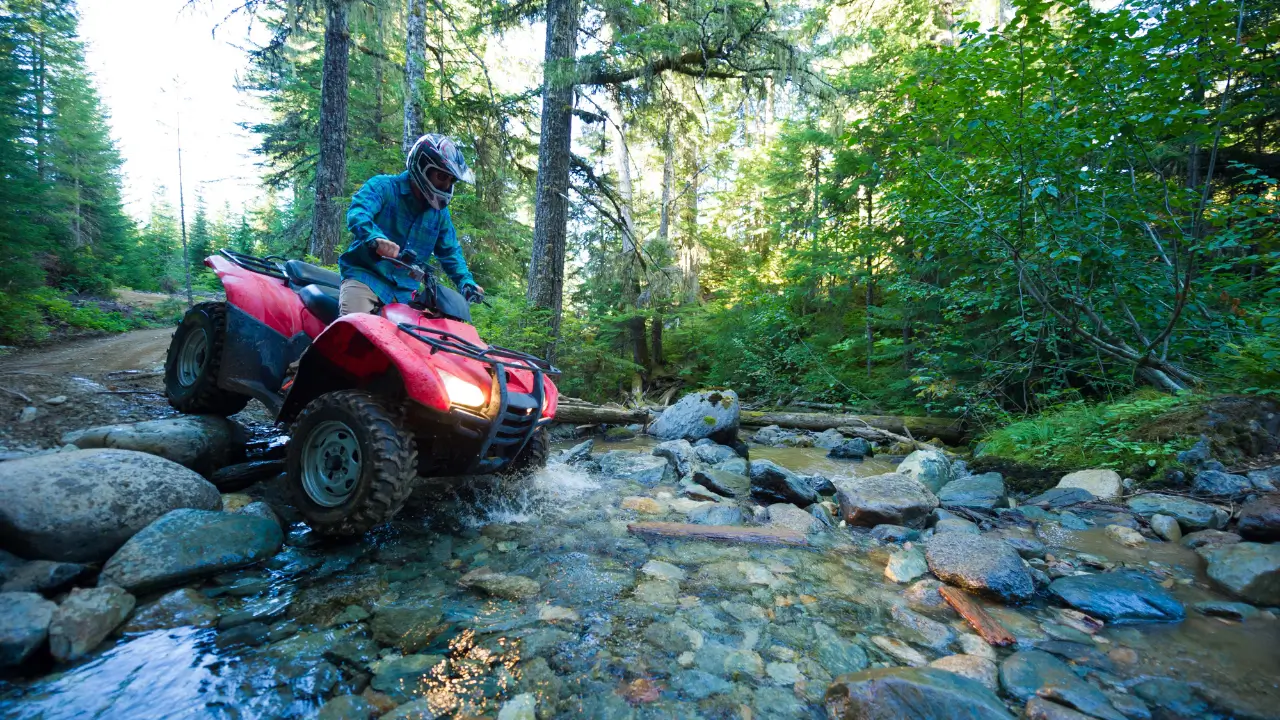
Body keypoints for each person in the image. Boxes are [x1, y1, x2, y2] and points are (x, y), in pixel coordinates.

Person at [337, 133, 484, 315]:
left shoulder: (439, 214)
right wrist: (375, 238)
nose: (446, 186)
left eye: (451, 180)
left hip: (406, 294)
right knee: (355, 329)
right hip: (366, 279)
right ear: (422, 166)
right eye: (441, 176)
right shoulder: (383, 187)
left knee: (431, 339)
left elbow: (450, 252)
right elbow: (358, 213)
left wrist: (466, 283)